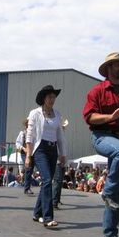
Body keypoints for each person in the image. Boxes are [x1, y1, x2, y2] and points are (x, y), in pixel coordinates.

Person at [83, 52, 119, 237]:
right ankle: (107, 191)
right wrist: (110, 117)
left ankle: (110, 234)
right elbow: (89, 116)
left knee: (117, 194)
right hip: (101, 137)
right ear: (109, 68)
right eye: (118, 65)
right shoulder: (97, 91)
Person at [25, 85, 67, 228]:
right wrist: (28, 156)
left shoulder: (58, 114)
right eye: (50, 97)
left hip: (53, 149)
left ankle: (37, 213)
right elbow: (29, 135)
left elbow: (60, 135)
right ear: (44, 98)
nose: (52, 99)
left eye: (54, 97)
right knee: (47, 180)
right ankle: (47, 217)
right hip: (40, 149)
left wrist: (62, 154)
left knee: (46, 182)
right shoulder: (35, 113)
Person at [52, 118, 68, 209]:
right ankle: (54, 201)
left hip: (61, 160)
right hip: (58, 160)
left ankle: (57, 199)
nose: (63, 128)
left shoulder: (62, 136)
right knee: (57, 181)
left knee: (59, 181)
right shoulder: (56, 136)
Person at [16, 118, 34, 194]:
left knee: (30, 170)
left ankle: (27, 187)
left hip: (32, 153)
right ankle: (27, 188)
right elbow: (17, 143)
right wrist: (23, 148)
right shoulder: (22, 133)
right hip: (24, 153)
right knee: (28, 168)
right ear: (26, 124)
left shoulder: (34, 134)